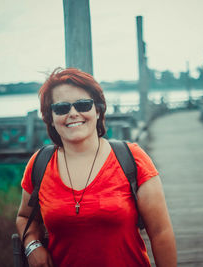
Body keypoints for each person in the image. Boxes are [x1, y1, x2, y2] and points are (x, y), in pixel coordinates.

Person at [16, 67, 176, 267]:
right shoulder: (39, 164)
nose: (73, 113)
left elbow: (161, 233)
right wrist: (32, 246)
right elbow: (24, 217)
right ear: (50, 117)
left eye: (83, 105)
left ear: (98, 110)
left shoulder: (132, 159)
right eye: (62, 108)